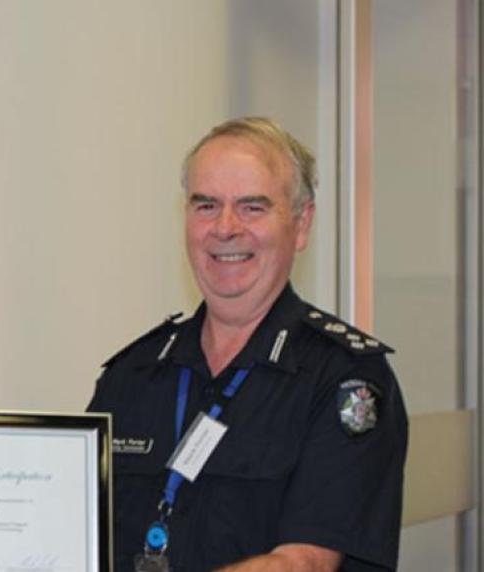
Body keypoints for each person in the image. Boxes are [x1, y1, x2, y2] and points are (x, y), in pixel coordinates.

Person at [87, 117, 407, 571]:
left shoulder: (345, 381)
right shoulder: (132, 376)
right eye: (206, 205)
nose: (225, 227)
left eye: (252, 208)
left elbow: (305, 562)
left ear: (301, 224)